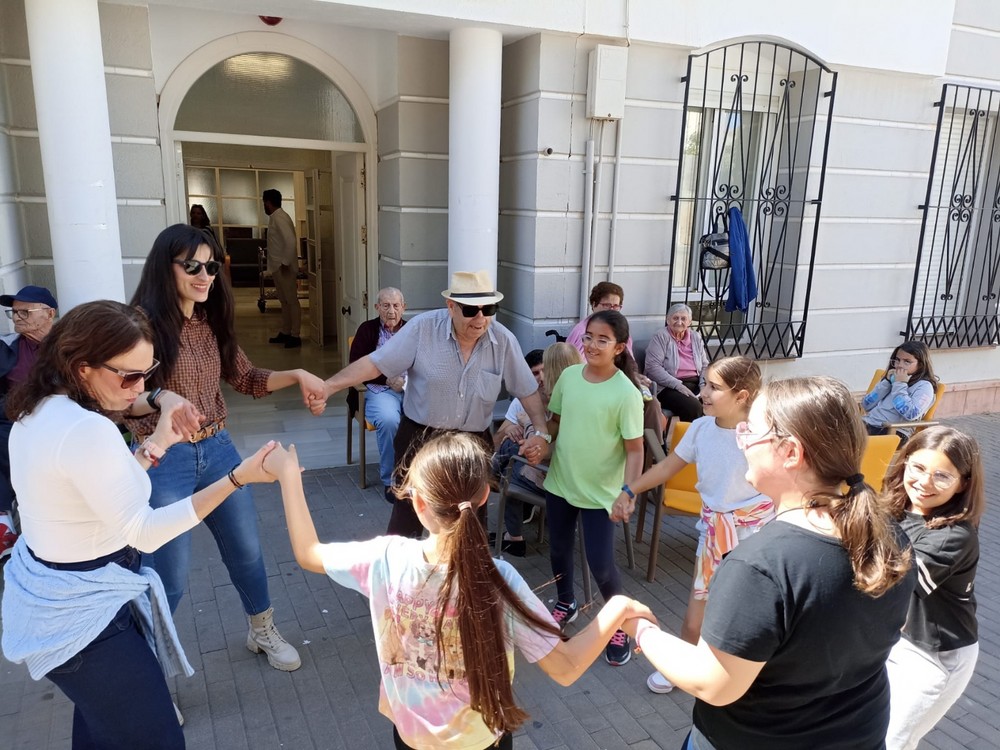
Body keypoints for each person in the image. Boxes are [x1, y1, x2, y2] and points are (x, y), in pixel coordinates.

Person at [0, 300, 279, 749]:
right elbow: (143, 530)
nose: (140, 387)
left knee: (100, 728)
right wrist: (237, 478)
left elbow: (99, 492)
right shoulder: (87, 430)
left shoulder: (35, 413)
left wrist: (160, 439)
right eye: (128, 375)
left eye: (147, 371)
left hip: (55, 595)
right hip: (87, 617)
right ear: (82, 367)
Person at [264, 431, 655, 750]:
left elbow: (308, 553)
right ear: (485, 495)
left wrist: (288, 475)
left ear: (417, 502)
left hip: (410, 738)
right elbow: (566, 667)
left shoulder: (386, 557)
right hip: (482, 741)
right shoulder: (500, 577)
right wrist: (617, 608)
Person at [623, 376, 915, 750]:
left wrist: (639, 627)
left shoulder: (761, 566)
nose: (741, 439)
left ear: (790, 452)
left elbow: (713, 683)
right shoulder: (887, 533)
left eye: (750, 431)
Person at [126, 223, 328, 672]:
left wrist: (296, 374)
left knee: (247, 551)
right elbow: (121, 399)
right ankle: (146, 667)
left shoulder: (210, 322)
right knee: (170, 576)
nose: (204, 275)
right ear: (167, 267)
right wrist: (160, 397)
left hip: (217, 449)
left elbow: (247, 379)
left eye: (211, 266)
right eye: (192, 265)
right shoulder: (140, 326)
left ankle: (262, 630)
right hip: (165, 462)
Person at [312, 270, 551, 539]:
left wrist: (541, 433)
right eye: (471, 310)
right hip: (420, 436)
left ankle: (465, 577)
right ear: (451, 306)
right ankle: (403, 578)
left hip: (471, 441)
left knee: (469, 523)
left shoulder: (503, 340)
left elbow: (527, 391)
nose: (481, 318)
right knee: (407, 518)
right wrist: (329, 386)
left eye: (489, 309)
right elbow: (375, 363)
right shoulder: (422, 329)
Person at [612, 356, 774, 694]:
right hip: (714, 531)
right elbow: (669, 466)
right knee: (696, 608)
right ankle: (683, 669)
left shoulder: (762, 435)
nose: (701, 393)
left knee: (748, 610)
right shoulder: (701, 429)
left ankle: (746, 677)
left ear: (742, 396)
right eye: (704, 384)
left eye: (713, 387)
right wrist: (630, 489)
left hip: (755, 535)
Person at [544, 310, 645, 667]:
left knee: (601, 564)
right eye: (588, 337)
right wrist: (540, 441)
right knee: (558, 550)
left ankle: (618, 625)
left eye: (603, 340)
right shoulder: (569, 377)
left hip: (602, 495)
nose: (591, 345)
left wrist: (627, 492)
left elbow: (636, 451)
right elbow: (554, 424)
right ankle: (566, 601)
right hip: (560, 483)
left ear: (619, 348)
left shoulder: (626, 393)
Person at [883, 426, 984, 750]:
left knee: (891, 742)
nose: (924, 483)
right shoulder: (894, 508)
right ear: (905, 463)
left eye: (942, 476)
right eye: (918, 467)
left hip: (934, 655)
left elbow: (891, 580)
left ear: (963, 483)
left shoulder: (955, 535)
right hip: (892, 637)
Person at [489, 343, 582, 556]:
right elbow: (499, 437)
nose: (541, 377)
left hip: (559, 480)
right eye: (535, 373)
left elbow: (550, 448)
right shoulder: (575, 395)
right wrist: (513, 428)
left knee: (508, 470)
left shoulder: (562, 402)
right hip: (565, 475)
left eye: (544, 370)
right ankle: (513, 532)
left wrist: (530, 435)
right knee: (510, 449)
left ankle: (513, 537)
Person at [0, 285, 58, 559]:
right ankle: (4, 526)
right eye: (14, 312)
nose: (17, 317)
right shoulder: (7, 347)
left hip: (61, 425)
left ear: (49, 314)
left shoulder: (70, 346)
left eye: (25, 311)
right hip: (16, 423)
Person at [348, 287, 408, 502]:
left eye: (396, 305)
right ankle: (392, 481)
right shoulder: (367, 330)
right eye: (386, 305)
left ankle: (421, 476)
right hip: (378, 389)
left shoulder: (412, 330)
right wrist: (387, 379)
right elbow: (355, 366)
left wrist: (408, 383)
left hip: (410, 389)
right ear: (377, 307)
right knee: (390, 420)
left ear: (403, 307)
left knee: (431, 417)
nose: (391, 311)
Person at [644, 302, 709, 422]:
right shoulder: (661, 336)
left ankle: (707, 438)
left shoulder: (695, 337)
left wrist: (703, 384)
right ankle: (689, 440)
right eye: (675, 318)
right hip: (667, 387)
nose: (679, 322)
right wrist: (677, 385)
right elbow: (652, 367)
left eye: (683, 319)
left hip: (695, 383)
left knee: (715, 400)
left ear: (689, 322)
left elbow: (705, 365)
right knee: (693, 407)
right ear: (668, 320)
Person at [862, 341, 938, 439]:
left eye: (907, 362)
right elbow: (866, 405)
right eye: (897, 360)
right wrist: (886, 383)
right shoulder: (892, 379)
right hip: (869, 423)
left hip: (891, 431)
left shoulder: (924, 387)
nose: (899, 365)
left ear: (920, 365)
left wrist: (900, 384)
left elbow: (911, 414)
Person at [262, 188, 302, 348]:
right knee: (284, 301)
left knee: (291, 301)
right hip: (278, 268)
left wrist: (285, 263)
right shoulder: (275, 217)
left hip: (284, 267)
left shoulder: (280, 218)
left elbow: (291, 242)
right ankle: (286, 331)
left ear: (267, 203)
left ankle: (295, 335)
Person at [564, 281, 634, 356]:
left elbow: (630, 363)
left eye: (616, 306)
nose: (612, 310)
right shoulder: (582, 332)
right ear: (594, 305)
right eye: (607, 305)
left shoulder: (622, 331)